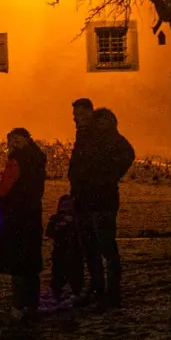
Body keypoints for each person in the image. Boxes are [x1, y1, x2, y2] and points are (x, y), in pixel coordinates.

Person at [68, 105, 135, 308]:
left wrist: (107, 176)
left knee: (104, 247)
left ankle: (110, 292)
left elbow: (126, 154)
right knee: (92, 248)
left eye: (79, 115)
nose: (76, 119)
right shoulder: (86, 136)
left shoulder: (106, 136)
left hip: (101, 200)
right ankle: (99, 288)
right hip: (85, 199)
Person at [0, 127, 48, 322]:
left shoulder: (16, 160)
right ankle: (32, 305)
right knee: (30, 262)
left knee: (17, 264)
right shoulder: (38, 159)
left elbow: (3, 189)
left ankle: (18, 306)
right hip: (32, 214)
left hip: (15, 217)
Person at [45, 195, 84, 302]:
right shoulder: (55, 219)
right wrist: (59, 226)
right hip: (60, 252)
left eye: (69, 205)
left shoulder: (77, 220)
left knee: (76, 274)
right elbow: (49, 233)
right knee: (58, 274)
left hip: (74, 253)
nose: (66, 208)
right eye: (64, 205)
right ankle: (57, 293)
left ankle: (76, 293)